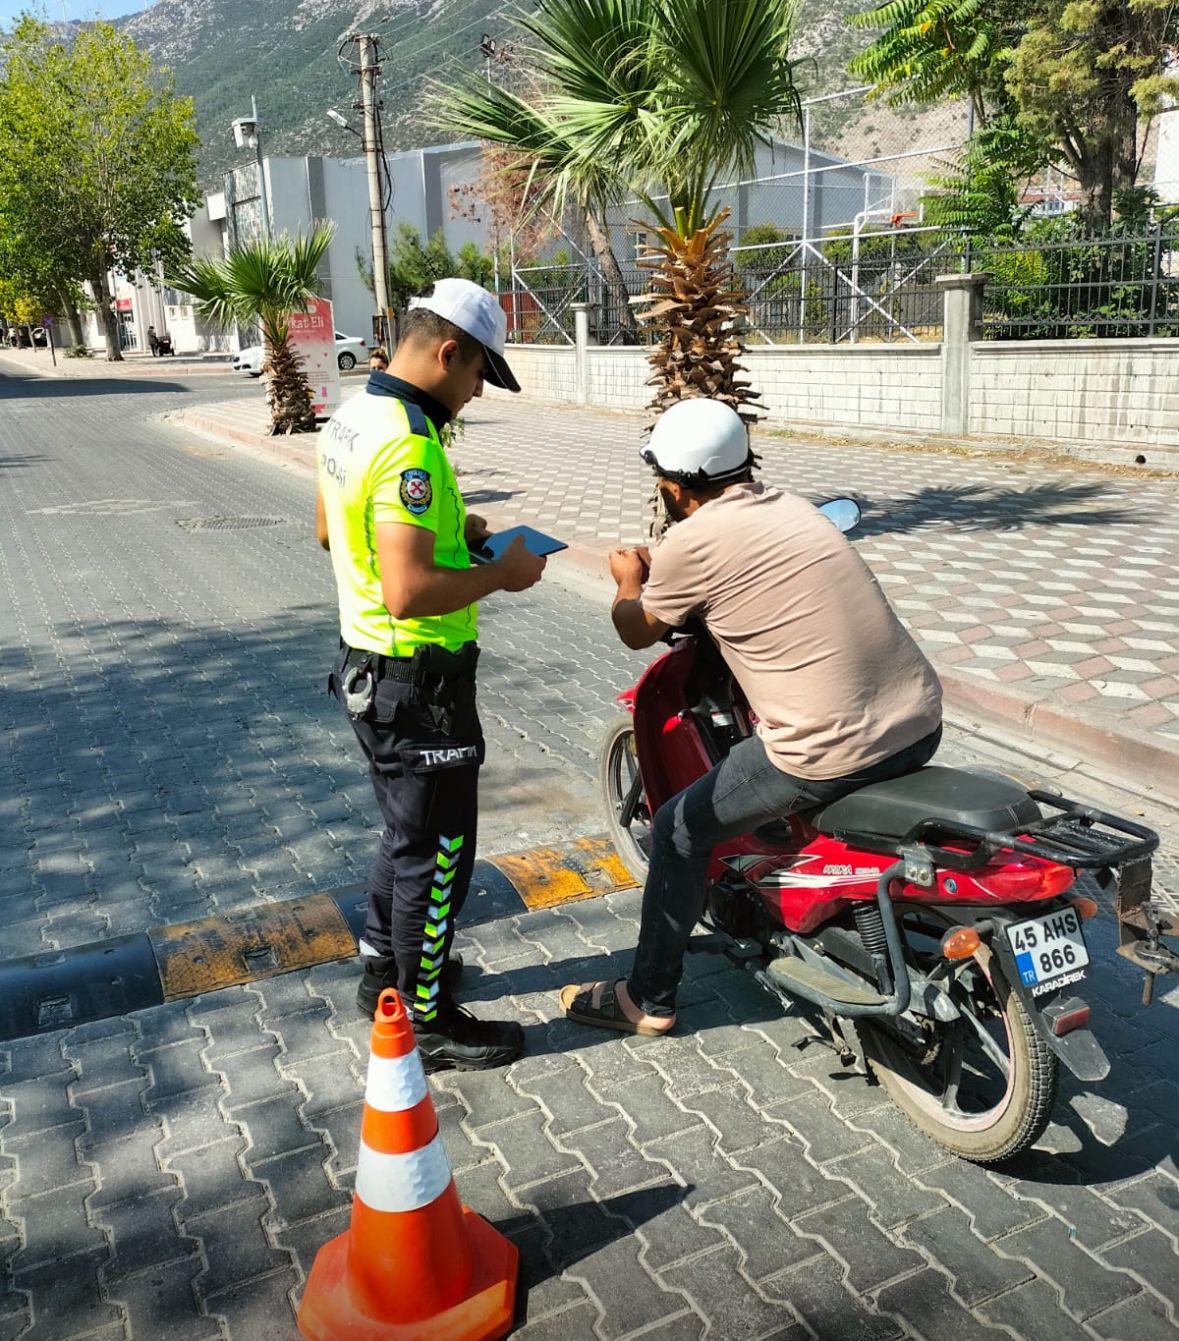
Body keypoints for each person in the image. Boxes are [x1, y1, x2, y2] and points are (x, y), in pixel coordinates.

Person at [560, 397, 943, 1037]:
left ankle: (646, 998)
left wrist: (628, 578)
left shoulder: (688, 542)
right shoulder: (792, 506)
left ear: (675, 488)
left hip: (823, 752)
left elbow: (636, 629)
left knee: (681, 828)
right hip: (919, 722)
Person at [316, 277, 547, 1071]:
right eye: (480, 372)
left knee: (404, 835)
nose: (478, 391)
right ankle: (428, 1018)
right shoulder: (411, 442)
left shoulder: (353, 418)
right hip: (420, 687)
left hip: (367, 670)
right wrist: (503, 573)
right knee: (439, 848)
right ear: (448, 352)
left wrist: (455, 527)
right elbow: (409, 591)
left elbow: (329, 529)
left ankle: (384, 968)